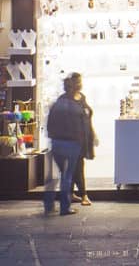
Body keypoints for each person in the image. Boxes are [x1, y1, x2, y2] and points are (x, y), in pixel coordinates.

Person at [44, 73, 90, 216]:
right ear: (73, 87)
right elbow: (82, 127)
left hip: (57, 143)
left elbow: (49, 124)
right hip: (71, 144)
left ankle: (49, 204)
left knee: (54, 176)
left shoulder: (57, 104)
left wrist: (53, 138)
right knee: (67, 175)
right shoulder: (76, 107)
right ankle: (65, 207)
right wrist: (82, 142)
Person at [71, 78, 97, 207]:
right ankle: (84, 195)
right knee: (78, 166)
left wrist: (93, 133)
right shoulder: (66, 100)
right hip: (71, 138)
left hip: (82, 137)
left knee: (74, 166)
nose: (81, 84)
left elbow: (87, 115)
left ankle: (70, 194)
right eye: (78, 82)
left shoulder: (81, 97)